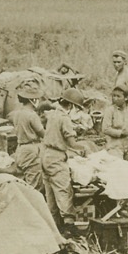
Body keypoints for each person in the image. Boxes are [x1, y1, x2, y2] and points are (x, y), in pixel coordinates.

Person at [41, 87, 88, 229]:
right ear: (72, 105)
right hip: (56, 158)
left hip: (45, 155)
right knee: (64, 193)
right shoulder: (64, 119)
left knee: (51, 198)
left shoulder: (53, 115)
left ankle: (54, 230)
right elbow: (71, 143)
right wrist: (83, 149)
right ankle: (70, 230)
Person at [9, 87, 46, 193]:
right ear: (33, 100)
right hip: (31, 150)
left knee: (23, 182)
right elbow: (42, 133)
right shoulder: (31, 115)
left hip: (21, 148)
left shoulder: (17, 113)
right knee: (34, 186)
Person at [101, 85, 128, 159]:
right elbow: (105, 129)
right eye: (113, 96)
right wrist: (120, 133)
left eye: (118, 96)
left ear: (126, 98)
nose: (115, 98)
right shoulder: (110, 110)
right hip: (115, 145)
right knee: (117, 167)